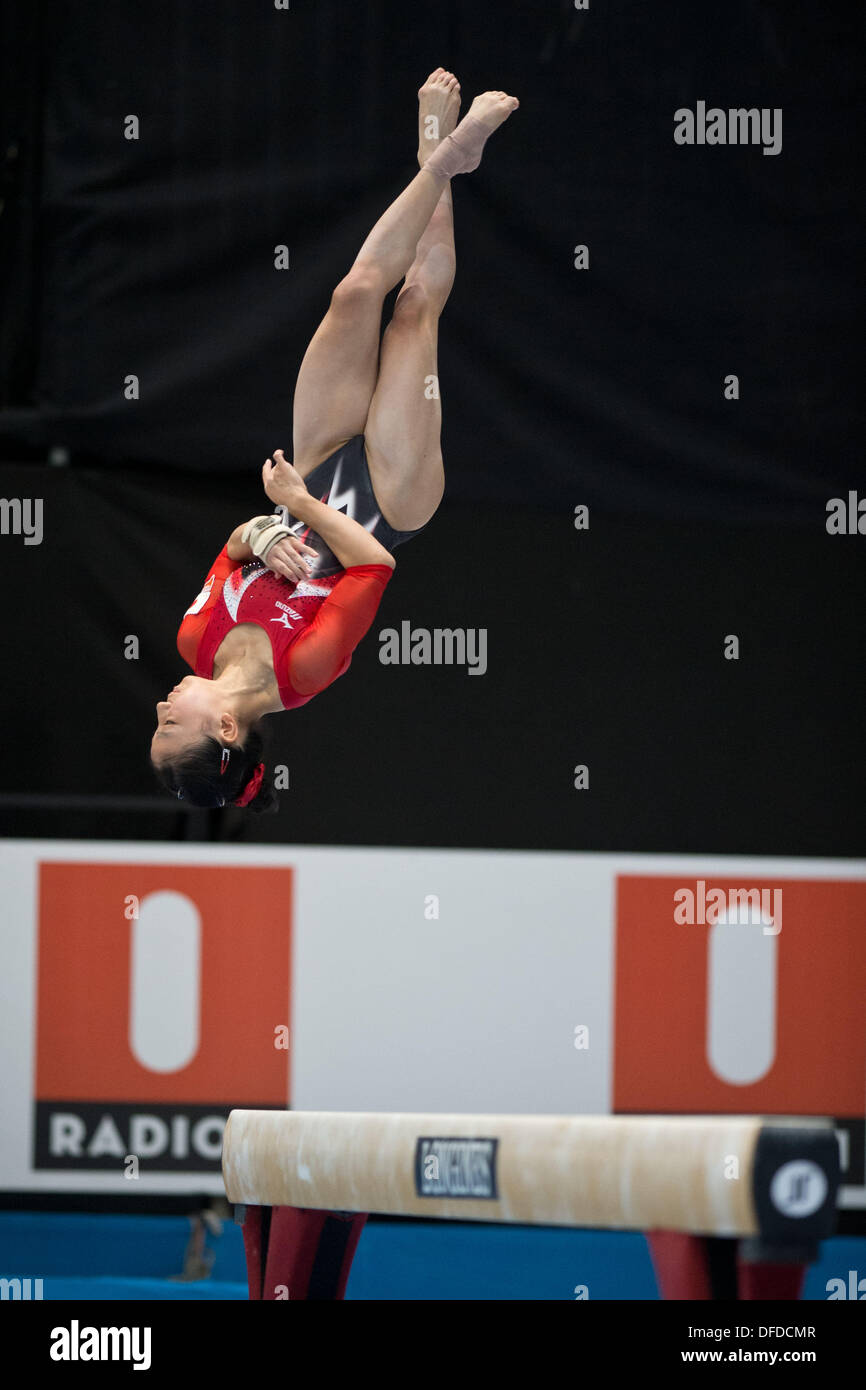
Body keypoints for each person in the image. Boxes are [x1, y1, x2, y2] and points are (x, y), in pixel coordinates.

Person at [151, 72, 519, 811]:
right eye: (170, 727)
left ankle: (439, 157)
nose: (159, 708)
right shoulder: (305, 672)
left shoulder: (196, 641)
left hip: (313, 473)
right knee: (413, 313)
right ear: (226, 726)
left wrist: (259, 529)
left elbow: (233, 546)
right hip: (388, 503)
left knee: (354, 293)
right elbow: (372, 567)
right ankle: (441, 157)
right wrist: (293, 505)